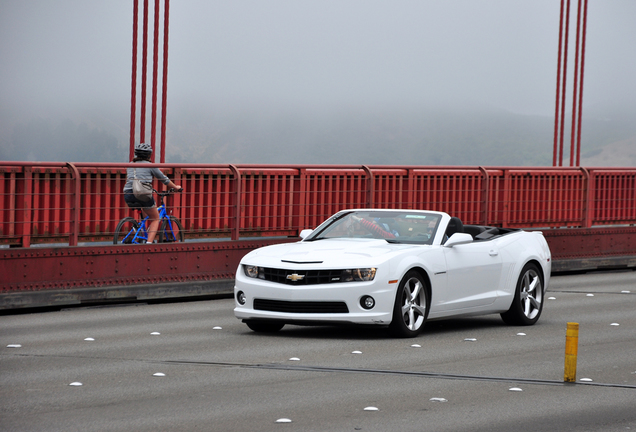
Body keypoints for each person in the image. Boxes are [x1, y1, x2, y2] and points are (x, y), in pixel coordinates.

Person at [123, 143, 182, 244]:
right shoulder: (150, 166)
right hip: (142, 193)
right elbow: (164, 179)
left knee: (146, 212)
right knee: (155, 218)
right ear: (149, 155)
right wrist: (176, 187)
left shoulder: (130, 165)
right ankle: (148, 244)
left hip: (128, 194)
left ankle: (142, 234)